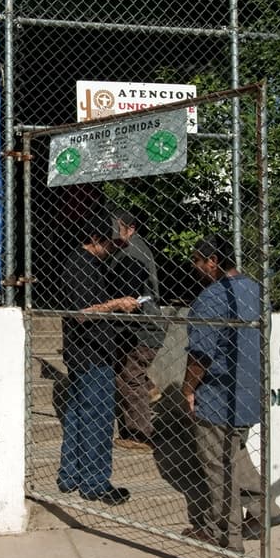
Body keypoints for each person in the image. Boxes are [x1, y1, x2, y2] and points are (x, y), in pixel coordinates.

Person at [180, 234, 280, 548]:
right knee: (236, 455)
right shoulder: (256, 290)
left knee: (218, 465)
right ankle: (264, 510)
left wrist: (188, 389)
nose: (195, 268)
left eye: (197, 262)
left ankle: (225, 533)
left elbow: (200, 355)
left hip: (218, 397)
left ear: (212, 262)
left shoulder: (211, 298)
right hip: (249, 392)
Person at [55, 214, 142, 505]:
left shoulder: (86, 264)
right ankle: (95, 483)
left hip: (84, 352)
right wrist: (117, 304)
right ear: (95, 239)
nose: (116, 248)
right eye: (111, 243)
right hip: (92, 354)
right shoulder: (81, 265)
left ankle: (70, 475)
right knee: (98, 419)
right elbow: (83, 313)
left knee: (79, 414)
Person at [113, 210, 163, 448]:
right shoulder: (133, 248)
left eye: (117, 227)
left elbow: (131, 294)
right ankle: (149, 387)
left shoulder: (132, 253)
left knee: (130, 378)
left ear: (130, 228)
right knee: (132, 374)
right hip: (143, 326)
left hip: (143, 328)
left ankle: (139, 434)